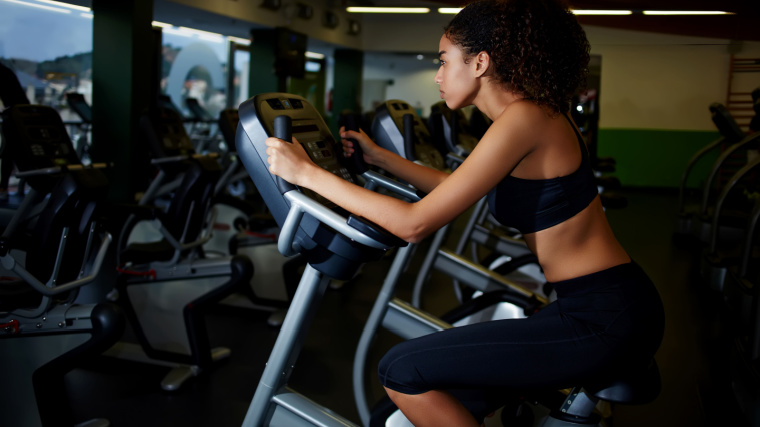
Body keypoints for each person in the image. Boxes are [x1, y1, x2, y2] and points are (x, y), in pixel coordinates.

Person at [264, 0, 665, 425]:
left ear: (480, 62)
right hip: (605, 305)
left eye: (443, 60)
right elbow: (456, 188)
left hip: (603, 315)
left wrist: (305, 172)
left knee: (401, 372)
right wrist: (383, 159)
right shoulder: (533, 115)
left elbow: (413, 223)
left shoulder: (524, 119)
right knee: (445, 396)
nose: (437, 75)